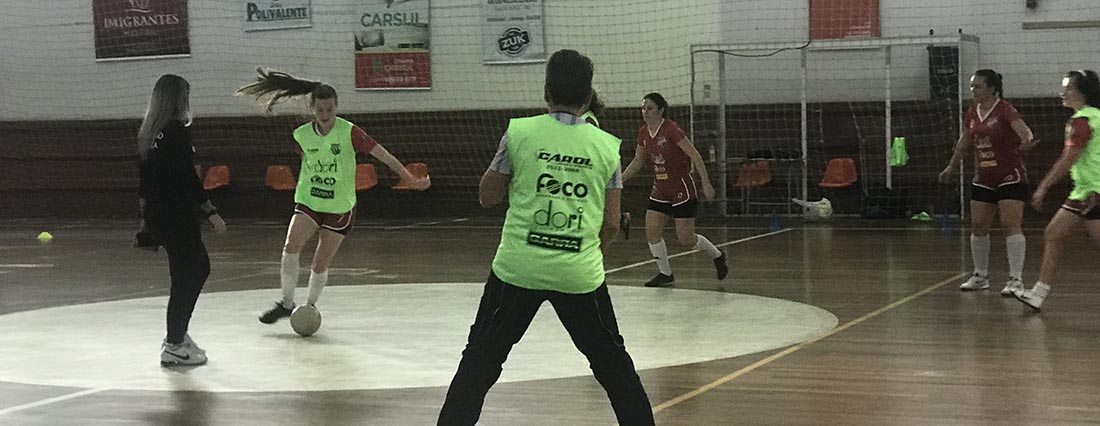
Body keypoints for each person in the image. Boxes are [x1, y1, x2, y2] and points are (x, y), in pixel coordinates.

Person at [437, 50, 655, 426]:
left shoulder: (520, 132)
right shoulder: (606, 146)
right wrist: (593, 256)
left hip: (517, 269)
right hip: (578, 273)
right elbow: (611, 222)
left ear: (545, 92)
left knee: (479, 363)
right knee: (614, 367)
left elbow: (488, 196)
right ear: (588, 97)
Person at [235, 68, 430, 324]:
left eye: (330, 110)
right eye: (320, 110)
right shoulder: (302, 135)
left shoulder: (350, 132)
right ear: (312, 108)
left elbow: (383, 155)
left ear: (336, 107)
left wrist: (409, 178)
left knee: (320, 262)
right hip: (309, 200)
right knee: (291, 247)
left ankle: (309, 308)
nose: (325, 115)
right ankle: (286, 303)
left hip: (339, 206)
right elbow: (306, 159)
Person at [137, 74, 226, 367]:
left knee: (183, 274)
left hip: (160, 215)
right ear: (178, 99)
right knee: (197, 269)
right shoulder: (175, 131)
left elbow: (145, 183)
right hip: (176, 214)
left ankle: (176, 335)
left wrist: (147, 223)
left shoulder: (149, 133)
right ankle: (174, 343)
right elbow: (187, 177)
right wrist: (210, 211)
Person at [938, 69, 1037, 295]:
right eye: (972, 86)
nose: (973, 91)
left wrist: (1026, 140)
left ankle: (1015, 279)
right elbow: (965, 142)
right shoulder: (972, 113)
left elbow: (1023, 130)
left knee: (1010, 225)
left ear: (992, 88)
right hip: (984, 177)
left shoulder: (1005, 110)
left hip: (1010, 176)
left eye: (978, 86)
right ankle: (980, 275)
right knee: (978, 226)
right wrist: (952, 166)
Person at [621, 92, 728, 287]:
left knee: (686, 239)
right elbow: (638, 161)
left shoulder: (671, 129)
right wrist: (620, 180)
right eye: (643, 108)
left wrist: (706, 183)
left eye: (650, 108)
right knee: (651, 231)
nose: (645, 112)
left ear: (661, 110)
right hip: (660, 188)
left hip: (682, 188)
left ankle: (718, 256)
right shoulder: (643, 133)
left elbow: (695, 156)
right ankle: (665, 274)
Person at [1016, 70, 1100, 310]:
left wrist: (1043, 187)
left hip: (1094, 192)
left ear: (1083, 92)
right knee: (1053, 234)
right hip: (1084, 191)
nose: (1063, 92)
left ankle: (1039, 293)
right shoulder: (1093, 116)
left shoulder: (1083, 121)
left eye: (1069, 88)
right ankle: (1038, 293)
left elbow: (1068, 158)